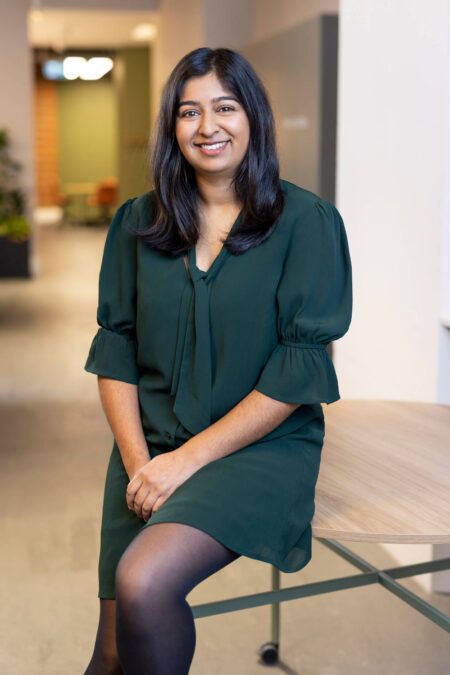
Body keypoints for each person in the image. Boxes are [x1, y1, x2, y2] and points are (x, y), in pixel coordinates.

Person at [83, 46, 352, 675]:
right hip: (145, 444)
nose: (208, 127)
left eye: (225, 107)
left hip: (257, 447)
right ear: (171, 129)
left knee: (144, 581)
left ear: (252, 116)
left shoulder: (307, 223)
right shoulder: (135, 223)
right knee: (113, 648)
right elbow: (115, 349)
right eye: (189, 111)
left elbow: (298, 370)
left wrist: (185, 462)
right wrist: (140, 465)